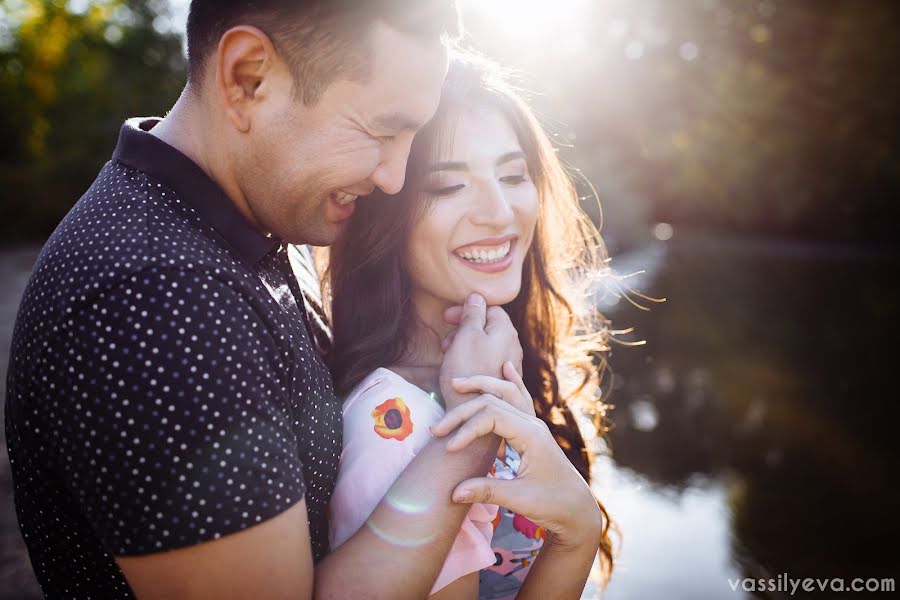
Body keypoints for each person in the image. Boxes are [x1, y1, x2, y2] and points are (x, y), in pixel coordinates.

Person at [4, 1, 606, 598]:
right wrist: (470, 433)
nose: (394, 179)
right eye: (380, 130)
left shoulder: (242, 237)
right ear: (248, 77)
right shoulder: (156, 300)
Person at [324, 52, 615, 599]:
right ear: (386, 215)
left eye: (512, 175)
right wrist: (578, 538)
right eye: (447, 186)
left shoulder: (503, 360)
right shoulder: (399, 425)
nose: (499, 212)